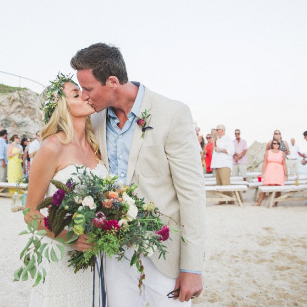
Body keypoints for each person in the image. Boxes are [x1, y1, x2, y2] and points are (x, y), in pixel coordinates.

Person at [71, 43, 205, 305]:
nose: (84, 96)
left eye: (88, 89)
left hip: (164, 252)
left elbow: (192, 194)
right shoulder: (94, 121)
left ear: (112, 81)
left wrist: (192, 267)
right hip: (113, 252)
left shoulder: (172, 113)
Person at [24, 73, 105, 306]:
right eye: (76, 94)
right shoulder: (52, 147)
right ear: (61, 106)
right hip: (62, 254)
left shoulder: (96, 144)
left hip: (96, 255)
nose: (86, 97)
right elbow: (30, 213)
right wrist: (69, 238)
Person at [255, 140, 287, 206]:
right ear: (272, 144)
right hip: (269, 170)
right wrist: (263, 172)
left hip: (279, 171)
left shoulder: (282, 153)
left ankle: (276, 203)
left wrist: (285, 174)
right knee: (265, 186)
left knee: (278, 187)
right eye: (274, 143)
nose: (276, 145)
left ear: (279, 145)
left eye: (277, 143)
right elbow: (264, 163)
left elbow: (284, 164)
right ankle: (259, 203)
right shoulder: (268, 152)